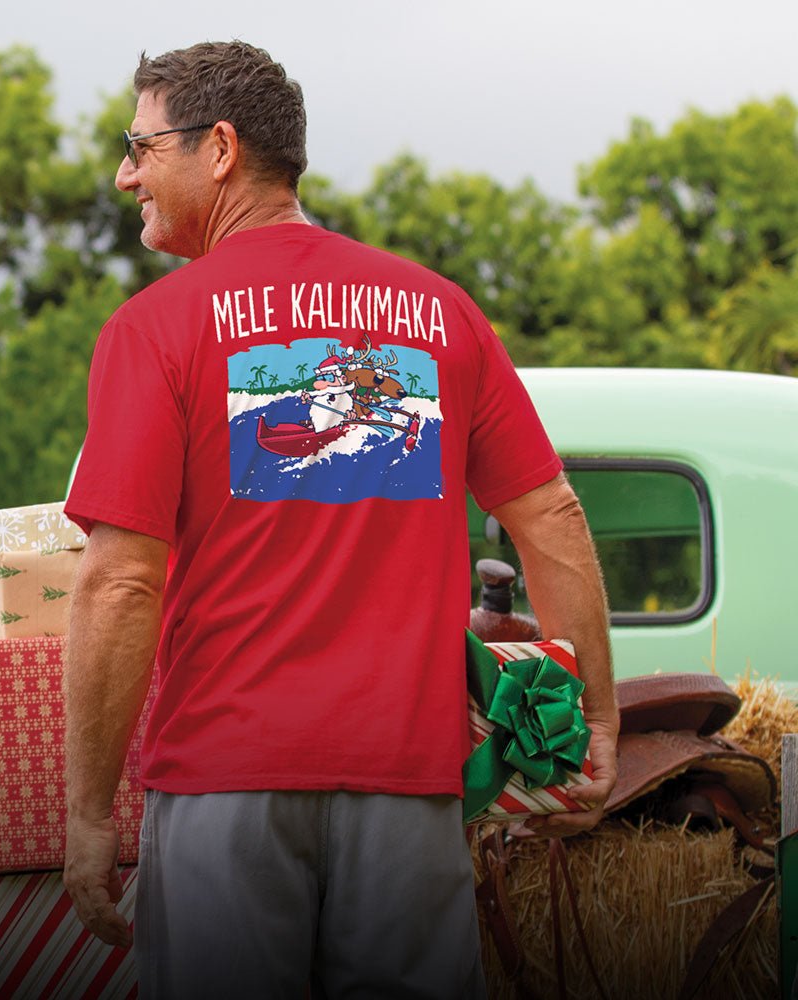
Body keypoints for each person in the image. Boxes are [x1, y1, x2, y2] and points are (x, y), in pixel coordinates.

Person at [62, 40, 618, 999]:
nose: (125, 174)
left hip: (225, 783)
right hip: (411, 790)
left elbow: (121, 583)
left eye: (140, 146)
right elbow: (552, 516)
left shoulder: (156, 327)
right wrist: (595, 721)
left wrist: (87, 816)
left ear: (219, 149)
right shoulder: (442, 314)